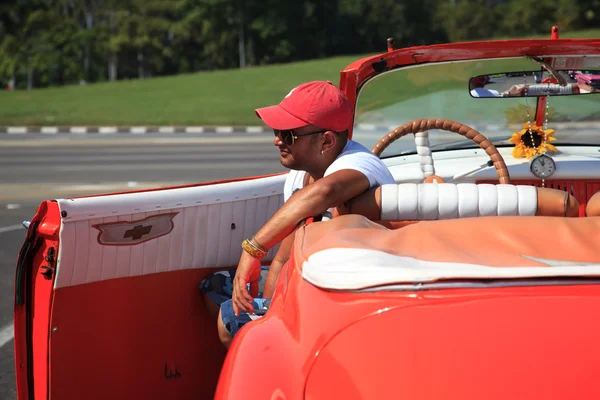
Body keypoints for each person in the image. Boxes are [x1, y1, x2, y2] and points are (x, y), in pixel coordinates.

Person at [200, 80, 395, 348]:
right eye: (277, 130)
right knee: (215, 288)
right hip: (308, 282)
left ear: (326, 140)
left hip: (351, 296)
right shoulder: (299, 175)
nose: (277, 140)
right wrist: (269, 307)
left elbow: (325, 192)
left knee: (229, 321)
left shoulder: (360, 164)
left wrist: (253, 249)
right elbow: (283, 258)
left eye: (288, 134)